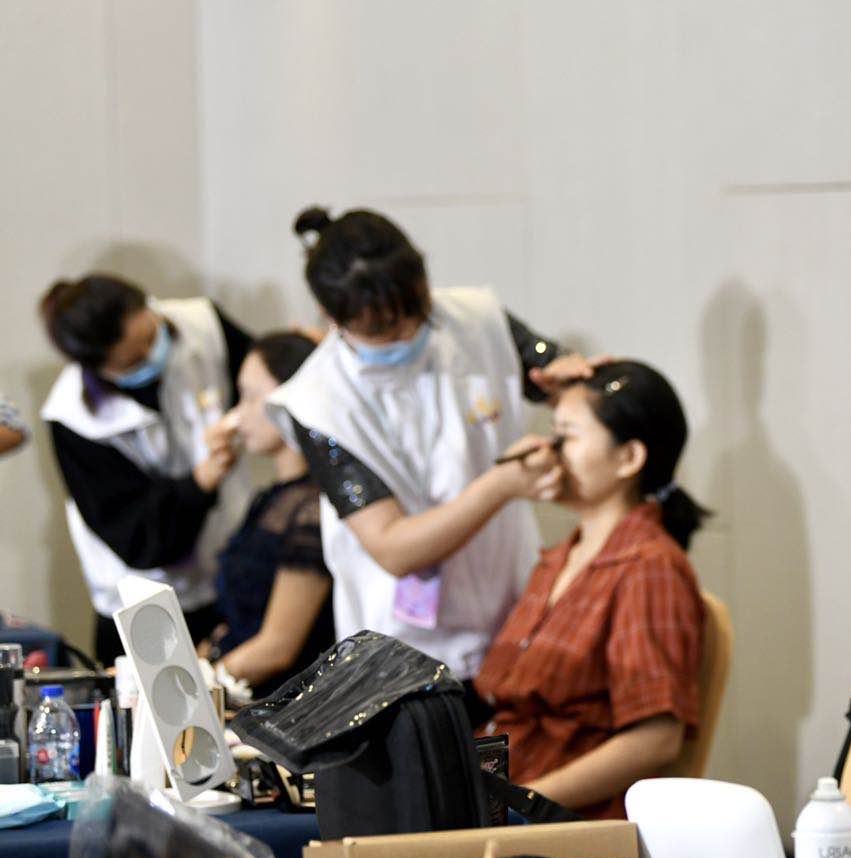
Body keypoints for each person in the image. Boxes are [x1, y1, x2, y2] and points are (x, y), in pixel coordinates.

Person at [265, 205, 592, 677]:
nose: (405, 333)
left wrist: (566, 372)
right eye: (382, 327)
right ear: (331, 316)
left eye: (414, 314)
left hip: (511, 613)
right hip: (402, 656)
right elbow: (393, 548)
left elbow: (550, 368)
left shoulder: (476, 319)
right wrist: (502, 484)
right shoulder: (317, 404)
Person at [471, 360, 709, 820]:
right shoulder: (561, 558)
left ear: (628, 458)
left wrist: (519, 804)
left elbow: (656, 739)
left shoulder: (648, 567)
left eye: (568, 437)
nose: (548, 452)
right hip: (505, 800)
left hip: (566, 826)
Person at [38, 274, 254, 664]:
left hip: (226, 576)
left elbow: (260, 381)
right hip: (145, 603)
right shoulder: (74, 417)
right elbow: (138, 534)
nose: (155, 353)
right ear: (99, 368)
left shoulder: (202, 323)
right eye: (134, 360)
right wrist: (202, 480)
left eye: (154, 334)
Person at [197, 332, 335, 702]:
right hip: (236, 688)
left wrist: (196, 688)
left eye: (250, 397)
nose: (236, 416)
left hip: (282, 707)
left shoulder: (312, 508)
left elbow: (277, 647)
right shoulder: (271, 498)